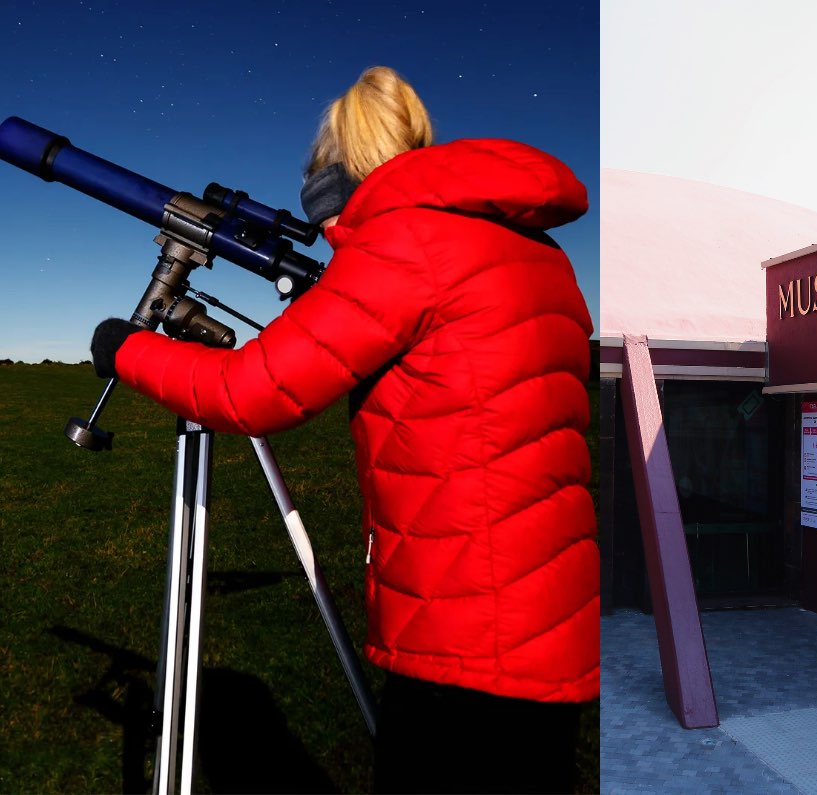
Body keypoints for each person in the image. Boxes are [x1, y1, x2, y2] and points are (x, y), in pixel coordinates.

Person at [90, 66, 598, 794]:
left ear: (342, 181)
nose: (331, 240)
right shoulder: (537, 253)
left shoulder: (403, 242)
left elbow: (250, 392)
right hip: (551, 632)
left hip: (461, 640)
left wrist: (128, 348)